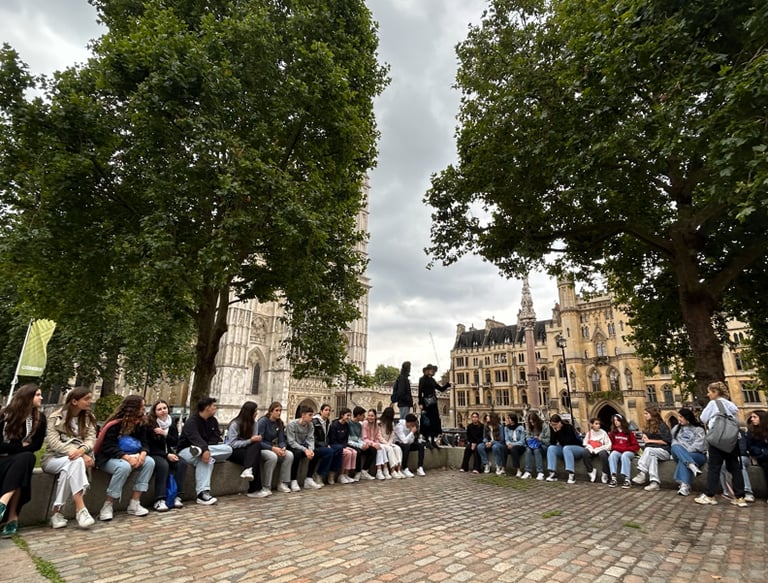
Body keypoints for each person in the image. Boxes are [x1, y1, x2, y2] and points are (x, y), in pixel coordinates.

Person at [41, 386, 97, 529]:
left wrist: (82, 450)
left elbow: (91, 439)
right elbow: (54, 443)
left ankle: (56, 513)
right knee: (76, 462)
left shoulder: (89, 418)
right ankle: (80, 509)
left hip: (74, 459)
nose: (90, 402)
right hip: (53, 458)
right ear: (74, 401)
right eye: (86, 399)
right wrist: (78, 453)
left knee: (69, 469)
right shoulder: (56, 417)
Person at [95, 395, 156, 520]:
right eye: (141, 407)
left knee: (150, 462)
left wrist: (143, 453)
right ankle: (108, 504)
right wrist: (126, 457)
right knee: (123, 467)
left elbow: (144, 442)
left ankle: (135, 502)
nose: (144, 409)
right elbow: (108, 446)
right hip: (109, 458)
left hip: (133, 455)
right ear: (133, 408)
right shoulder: (114, 425)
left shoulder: (140, 423)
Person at [0, 383, 45, 537]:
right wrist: (19, 446)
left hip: (19, 460)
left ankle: (2, 504)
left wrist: (13, 448)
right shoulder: (4, 415)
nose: (41, 398)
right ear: (27, 397)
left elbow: (36, 446)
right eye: (37, 395)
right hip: (3, 460)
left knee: (26, 458)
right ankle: (12, 517)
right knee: (23, 462)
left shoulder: (39, 419)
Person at [695, 381, 747, 507]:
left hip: (717, 439)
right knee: (734, 467)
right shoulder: (731, 405)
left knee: (714, 467)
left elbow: (703, 418)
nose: (708, 394)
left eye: (709, 392)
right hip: (731, 439)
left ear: (715, 392)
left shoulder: (713, 403)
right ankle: (740, 497)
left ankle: (710, 495)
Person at [177, 397, 233, 505]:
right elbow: (195, 438)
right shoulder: (191, 422)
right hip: (186, 450)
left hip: (205, 450)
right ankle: (203, 494)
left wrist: (206, 449)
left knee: (228, 449)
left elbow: (216, 437)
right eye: (213, 406)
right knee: (207, 458)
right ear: (207, 408)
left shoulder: (213, 421)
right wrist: (205, 449)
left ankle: (202, 494)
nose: (215, 408)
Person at [145, 399, 187, 511]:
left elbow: (175, 442)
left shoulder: (171, 423)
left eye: (165, 408)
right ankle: (160, 499)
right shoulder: (150, 424)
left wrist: (165, 434)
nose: (163, 411)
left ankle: (176, 496)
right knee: (163, 465)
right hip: (155, 453)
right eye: (159, 409)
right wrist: (166, 455)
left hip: (168, 452)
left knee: (182, 463)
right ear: (155, 411)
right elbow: (150, 446)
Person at [224, 401, 266, 498]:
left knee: (256, 447)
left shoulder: (255, 423)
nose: (257, 413)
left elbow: (254, 441)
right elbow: (232, 444)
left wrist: (254, 440)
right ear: (250, 412)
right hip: (234, 452)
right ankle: (254, 489)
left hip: (248, 451)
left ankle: (248, 469)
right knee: (255, 457)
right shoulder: (235, 424)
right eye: (255, 411)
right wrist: (250, 440)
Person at [256, 401, 294, 494]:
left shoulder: (279, 423)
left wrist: (283, 447)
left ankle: (282, 483)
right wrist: (273, 448)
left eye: (280, 410)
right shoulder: (263, 422)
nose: (279, 413)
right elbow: (259, 441)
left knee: (289, 455)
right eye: (276, 410)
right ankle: (266, 486)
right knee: (272, 457)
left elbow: (281, 439)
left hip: (274, 447)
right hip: (262, 447)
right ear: (271, 411)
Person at [631, 407, 672, 491]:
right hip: (653, 452)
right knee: (652, 457)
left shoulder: (662, 425)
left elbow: (666, 441)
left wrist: (650, 440)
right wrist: (644, 438)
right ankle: (654, 482)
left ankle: (642, 472)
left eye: (646, 413)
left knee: (649, 450)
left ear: (652, 414)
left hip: (664, 451)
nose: (644, 415)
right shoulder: (647, 426)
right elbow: (647, 442)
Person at [669, 408, 707, 497]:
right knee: (675, 446)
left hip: (697, 455)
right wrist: (683, 453)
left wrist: (685, 453)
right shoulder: (675, 429)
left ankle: (684, 486)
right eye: (679, 416)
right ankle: (692, 466)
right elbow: (674, 443)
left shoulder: (698, 429)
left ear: (688, 417)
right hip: (678, 453)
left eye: (681, 417)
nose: (679, 419)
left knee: (683, 460)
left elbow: (699, 445)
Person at [286, 405, 323, 490]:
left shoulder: (310, 425)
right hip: (292, 446)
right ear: (303, 415)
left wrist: (311, 450)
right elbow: (291, 442)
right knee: (296, 454)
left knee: (316, 453)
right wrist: (305, 449)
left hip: (303, 447)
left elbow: (310, 439)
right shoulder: (292, 425)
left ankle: (309, 479)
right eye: (310, 415)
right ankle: (293, 480)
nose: (312, 417)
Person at [418, 364, 451, 449]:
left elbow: (441, 389)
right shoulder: (422, 379)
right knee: (426, 422)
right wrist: (420, 403)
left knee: (434, 422)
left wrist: (448, 384)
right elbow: (420, 392)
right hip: (426, 403)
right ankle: (427, 441)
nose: (432, 371)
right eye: (431, 369)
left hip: (433, 403)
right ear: (427, 370)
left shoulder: (432, 380)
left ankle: (433, 441)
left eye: (433, 370)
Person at [545, 414, 584, 484]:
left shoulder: (568, 427)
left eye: (555, 424)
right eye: (552, 424)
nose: (554, 426)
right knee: (551, 448)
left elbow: (568, 442)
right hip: (564, 449)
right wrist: (554, 432)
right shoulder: (553, 428)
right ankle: (552, 473)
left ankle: (571, 475)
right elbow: (552, 442)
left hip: (577, 448)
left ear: (560, 422)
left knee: (566, 448)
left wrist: (559, 431)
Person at [607, 414, 639, 488]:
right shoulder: (612, 433)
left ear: (622, 421)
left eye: (617, 420)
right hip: (618, 451)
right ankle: (613, 478)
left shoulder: (629, 432)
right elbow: (611, 445)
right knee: (612, 455)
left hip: (628, 451)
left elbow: (635, 445)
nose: (616, 422)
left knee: (624, 456)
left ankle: (627, 479)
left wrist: (625, 449)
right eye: (614, 420)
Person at [311, 404, 338, 485]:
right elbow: (314, 439)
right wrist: (325, 445)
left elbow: (327, 436)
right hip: (316, 446)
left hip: (324, 444)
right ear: (321, 411)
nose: (328, 412)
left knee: (338, 449)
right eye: (326, 410)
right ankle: (319, 474)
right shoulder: (315, 422)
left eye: (329, 410)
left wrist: (327, 444)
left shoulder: (327, 422)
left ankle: (332, 473)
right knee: (329, 452)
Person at [328, 408, 357, 484]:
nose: (349, 417)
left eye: (350, 415)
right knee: (348, 453)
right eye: (347, 415)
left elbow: (345, 439)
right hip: (335, 445)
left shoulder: (346, 425)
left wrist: (345, 446)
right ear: (342, 415)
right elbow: (332, 439)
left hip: (343, 445)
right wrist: (343, 446)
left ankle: (346, 473)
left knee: (354, 452)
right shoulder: (335, 425)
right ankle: (341, 475)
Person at [745, 410, 768, 503]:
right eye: (751, 417)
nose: (752, 419)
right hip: (760, 457)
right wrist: (761, 452)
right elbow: (750, 446)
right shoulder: (751, 431)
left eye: (755, 417)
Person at [348, 406, 376, 480]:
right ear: (358, 415)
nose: (365, 417)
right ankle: (357, 472)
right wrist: (360, 446)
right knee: (358, 452)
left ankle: (364, 471)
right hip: (350, 444)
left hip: (358, 444)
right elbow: (349, 440)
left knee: (373, 450)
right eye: (363, 415)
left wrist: (363, 444)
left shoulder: (359, 425)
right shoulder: (349, 424)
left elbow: (360, 438)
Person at [521, 411, 550, 480]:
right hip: (533, 445)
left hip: (543, 446)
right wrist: (530, 441)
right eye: (531, 422)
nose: (532, 424)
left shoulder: (544, 426)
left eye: (534, 422)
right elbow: (527, 436)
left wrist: (540, 439)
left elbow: (548, 440)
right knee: (528, 450)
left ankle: (540, 472)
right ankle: (528, 471)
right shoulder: (530, 427)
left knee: (537, 450)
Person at [395, 413, 426, 477]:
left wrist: (411, 434)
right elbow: (405, 441)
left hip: (407, 443)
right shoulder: (399, 426)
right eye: (413, 424)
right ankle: (405, 468)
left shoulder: (411, 427)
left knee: (421, 446)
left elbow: (411, 440)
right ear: (408, 423)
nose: (413, 425)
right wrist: (412, 432)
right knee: (406, 446)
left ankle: (420, 467)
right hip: (398, 444)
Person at [581, 418, 611, 484]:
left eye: (599, 424)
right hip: (592, 450)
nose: (598, 425)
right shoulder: (589, 433)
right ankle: (591, 471)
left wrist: (599, 448)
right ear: (592, 425)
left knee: (603, 454)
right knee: (585, 452)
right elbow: (585, 443)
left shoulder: (603, 433)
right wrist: (591, 447)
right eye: (596, 424)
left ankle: (605, 473)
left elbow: (608, 444)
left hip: (601, 449)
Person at [378, 407, 404, 478]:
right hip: (381, 443)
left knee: (398, 448)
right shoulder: (379, 423)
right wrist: (387, 444)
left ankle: (398, 469)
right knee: (390, 449)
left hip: (388, 442)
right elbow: (379, 436)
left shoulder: (391, 423)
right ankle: (392, 470)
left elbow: (392, 435)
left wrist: (389, 443)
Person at [361, 409, 388, 479]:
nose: (370, 417)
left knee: (382, 447)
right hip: (366, 443)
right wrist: (373, 444)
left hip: (374, 443)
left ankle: (384, 469)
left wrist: (386, 443)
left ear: (375, 416)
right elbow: (364, 438)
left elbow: (378, 436)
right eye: (369, 415)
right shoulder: (365, 423)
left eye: (372, 416)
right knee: (375, 449)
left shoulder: (376, 425)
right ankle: (378, 471)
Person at [504, 413, 526, 477]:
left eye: (508, 418)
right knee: (503, 449)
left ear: (513, 420)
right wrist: (508, 444)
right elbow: (506, 439)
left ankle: (518, 470)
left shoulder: (520, 427)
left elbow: (522, 441)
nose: (507, 420)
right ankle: (503, 468)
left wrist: (512, 445)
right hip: (510, 445)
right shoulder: (506, 428)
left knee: (514, 449)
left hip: (520, 446)